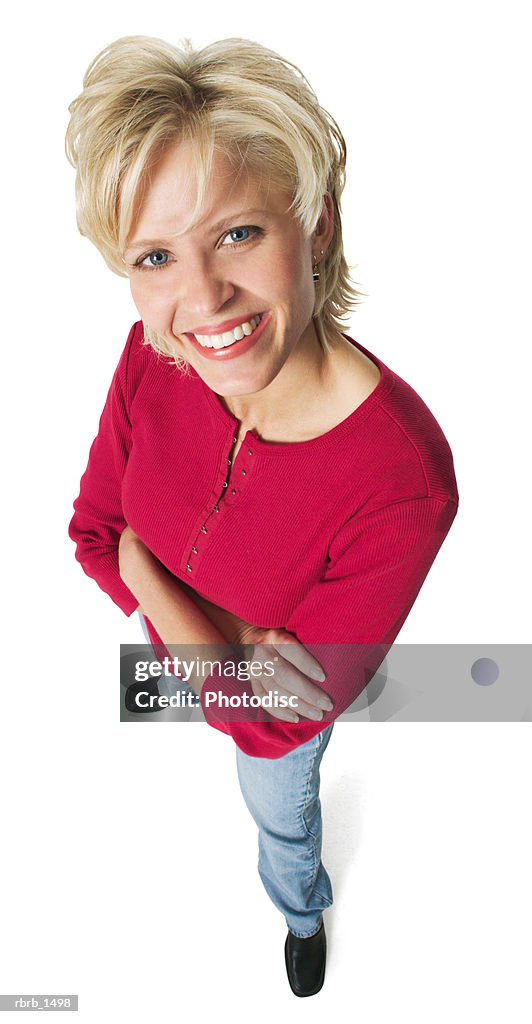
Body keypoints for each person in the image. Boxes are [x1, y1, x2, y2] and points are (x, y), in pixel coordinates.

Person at [65, 35, 459, 997]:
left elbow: (276, 723)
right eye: (156, 255)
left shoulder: (404, 483)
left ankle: (302, 909)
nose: (201, 301)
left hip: (264, 730)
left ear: (316, 223)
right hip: (211, 668)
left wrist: (151, 577)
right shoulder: (153, 355)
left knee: (280, 806)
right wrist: (229, 650)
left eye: (237, 233)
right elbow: (89, 533)